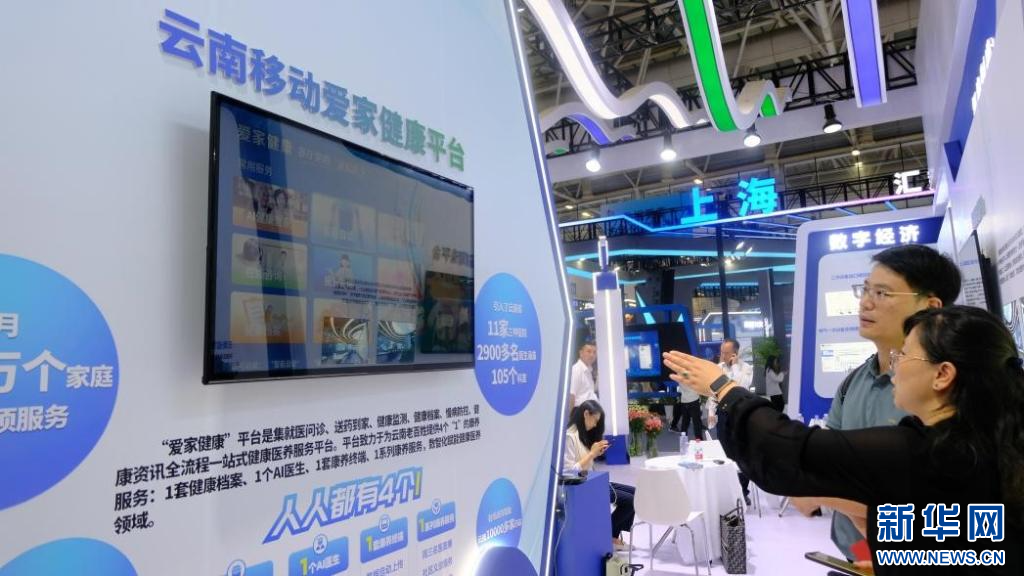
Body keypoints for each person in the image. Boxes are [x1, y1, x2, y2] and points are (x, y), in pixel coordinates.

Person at [664, 305, 1022, 574]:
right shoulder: (990, 446)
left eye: (905, 354)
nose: (895, 364)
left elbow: (786, 448)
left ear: (943, 374)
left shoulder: (919, 451)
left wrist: (723, 388)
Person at [793, 244, 962, 561]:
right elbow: (829, 463)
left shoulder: (943, 390)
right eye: (865, 290)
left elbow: (923, 499)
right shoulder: (853, 383)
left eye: (883, 293)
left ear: (931, 306)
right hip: (856, 556)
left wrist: (818, 492)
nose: (866, 302)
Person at [563, 400, 636, 548]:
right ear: (586, 414)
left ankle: (612, 536)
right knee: (631, 500)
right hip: (582, 486)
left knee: (636, 494)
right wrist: (592, 454)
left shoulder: (581, 435)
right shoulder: (570, 437)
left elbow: (584, 463)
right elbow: (569, 472)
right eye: (595, 420)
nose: (596, 425)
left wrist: (595, 454)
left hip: (592, 481)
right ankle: (609, 537)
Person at [569, 342, 598, 413]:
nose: (592, 355)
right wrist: (570, 418)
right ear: (581, 353)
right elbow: (571, 395)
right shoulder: (577, 369)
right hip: (580, 414)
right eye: (589, 351)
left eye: (594, 352)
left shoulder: (588, 371)